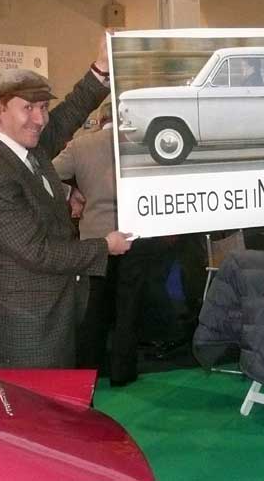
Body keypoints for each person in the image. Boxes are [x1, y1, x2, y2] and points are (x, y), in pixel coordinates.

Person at [0, 41, 132, 369]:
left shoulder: (17, 146)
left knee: (58, 394)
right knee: (38, 399)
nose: (39, 119)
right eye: (28, 108)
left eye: (43, 107)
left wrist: (101, 68)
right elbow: (37, 252)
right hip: (26, 321)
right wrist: (105, 245)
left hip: (49, 309)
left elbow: (66, 116)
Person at [53, 103, 190, 386]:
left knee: (94, 308)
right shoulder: (141, 146)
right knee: (128, 306)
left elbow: (47, 175)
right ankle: (122, 371)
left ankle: (88, 372)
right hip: (133, 236)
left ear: (99, 119)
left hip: (95, 238)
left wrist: (72, 191)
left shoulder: (81, 146)